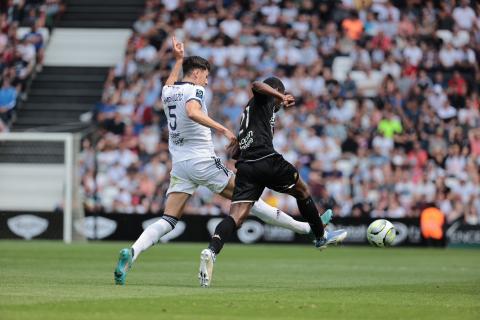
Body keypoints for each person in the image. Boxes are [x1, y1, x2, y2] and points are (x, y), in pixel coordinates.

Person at [114, 37, 336, 285]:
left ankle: (132, 252)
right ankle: (308, 229)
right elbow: (192, 112)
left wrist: (177, 60)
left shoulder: (168, 92)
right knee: (250, 202)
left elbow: (170, 82)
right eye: (205, 76)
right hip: (203, 162)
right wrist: (223, 130)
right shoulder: (195, 90)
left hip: (180, 165)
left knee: (169, 220)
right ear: (197, 74)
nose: (206, 81)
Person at [199, 77, 347, 287]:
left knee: (236, 217)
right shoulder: (264, 98)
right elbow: (256, 84)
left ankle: (211, 250)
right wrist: (280, 96)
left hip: (246, 167)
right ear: (275, 91)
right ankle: (320, 235)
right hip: (266, 160)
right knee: (302, 191)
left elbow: (237, 149)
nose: (280, 105)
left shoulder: (251, 114)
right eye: (279, 96)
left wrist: (236, 148)